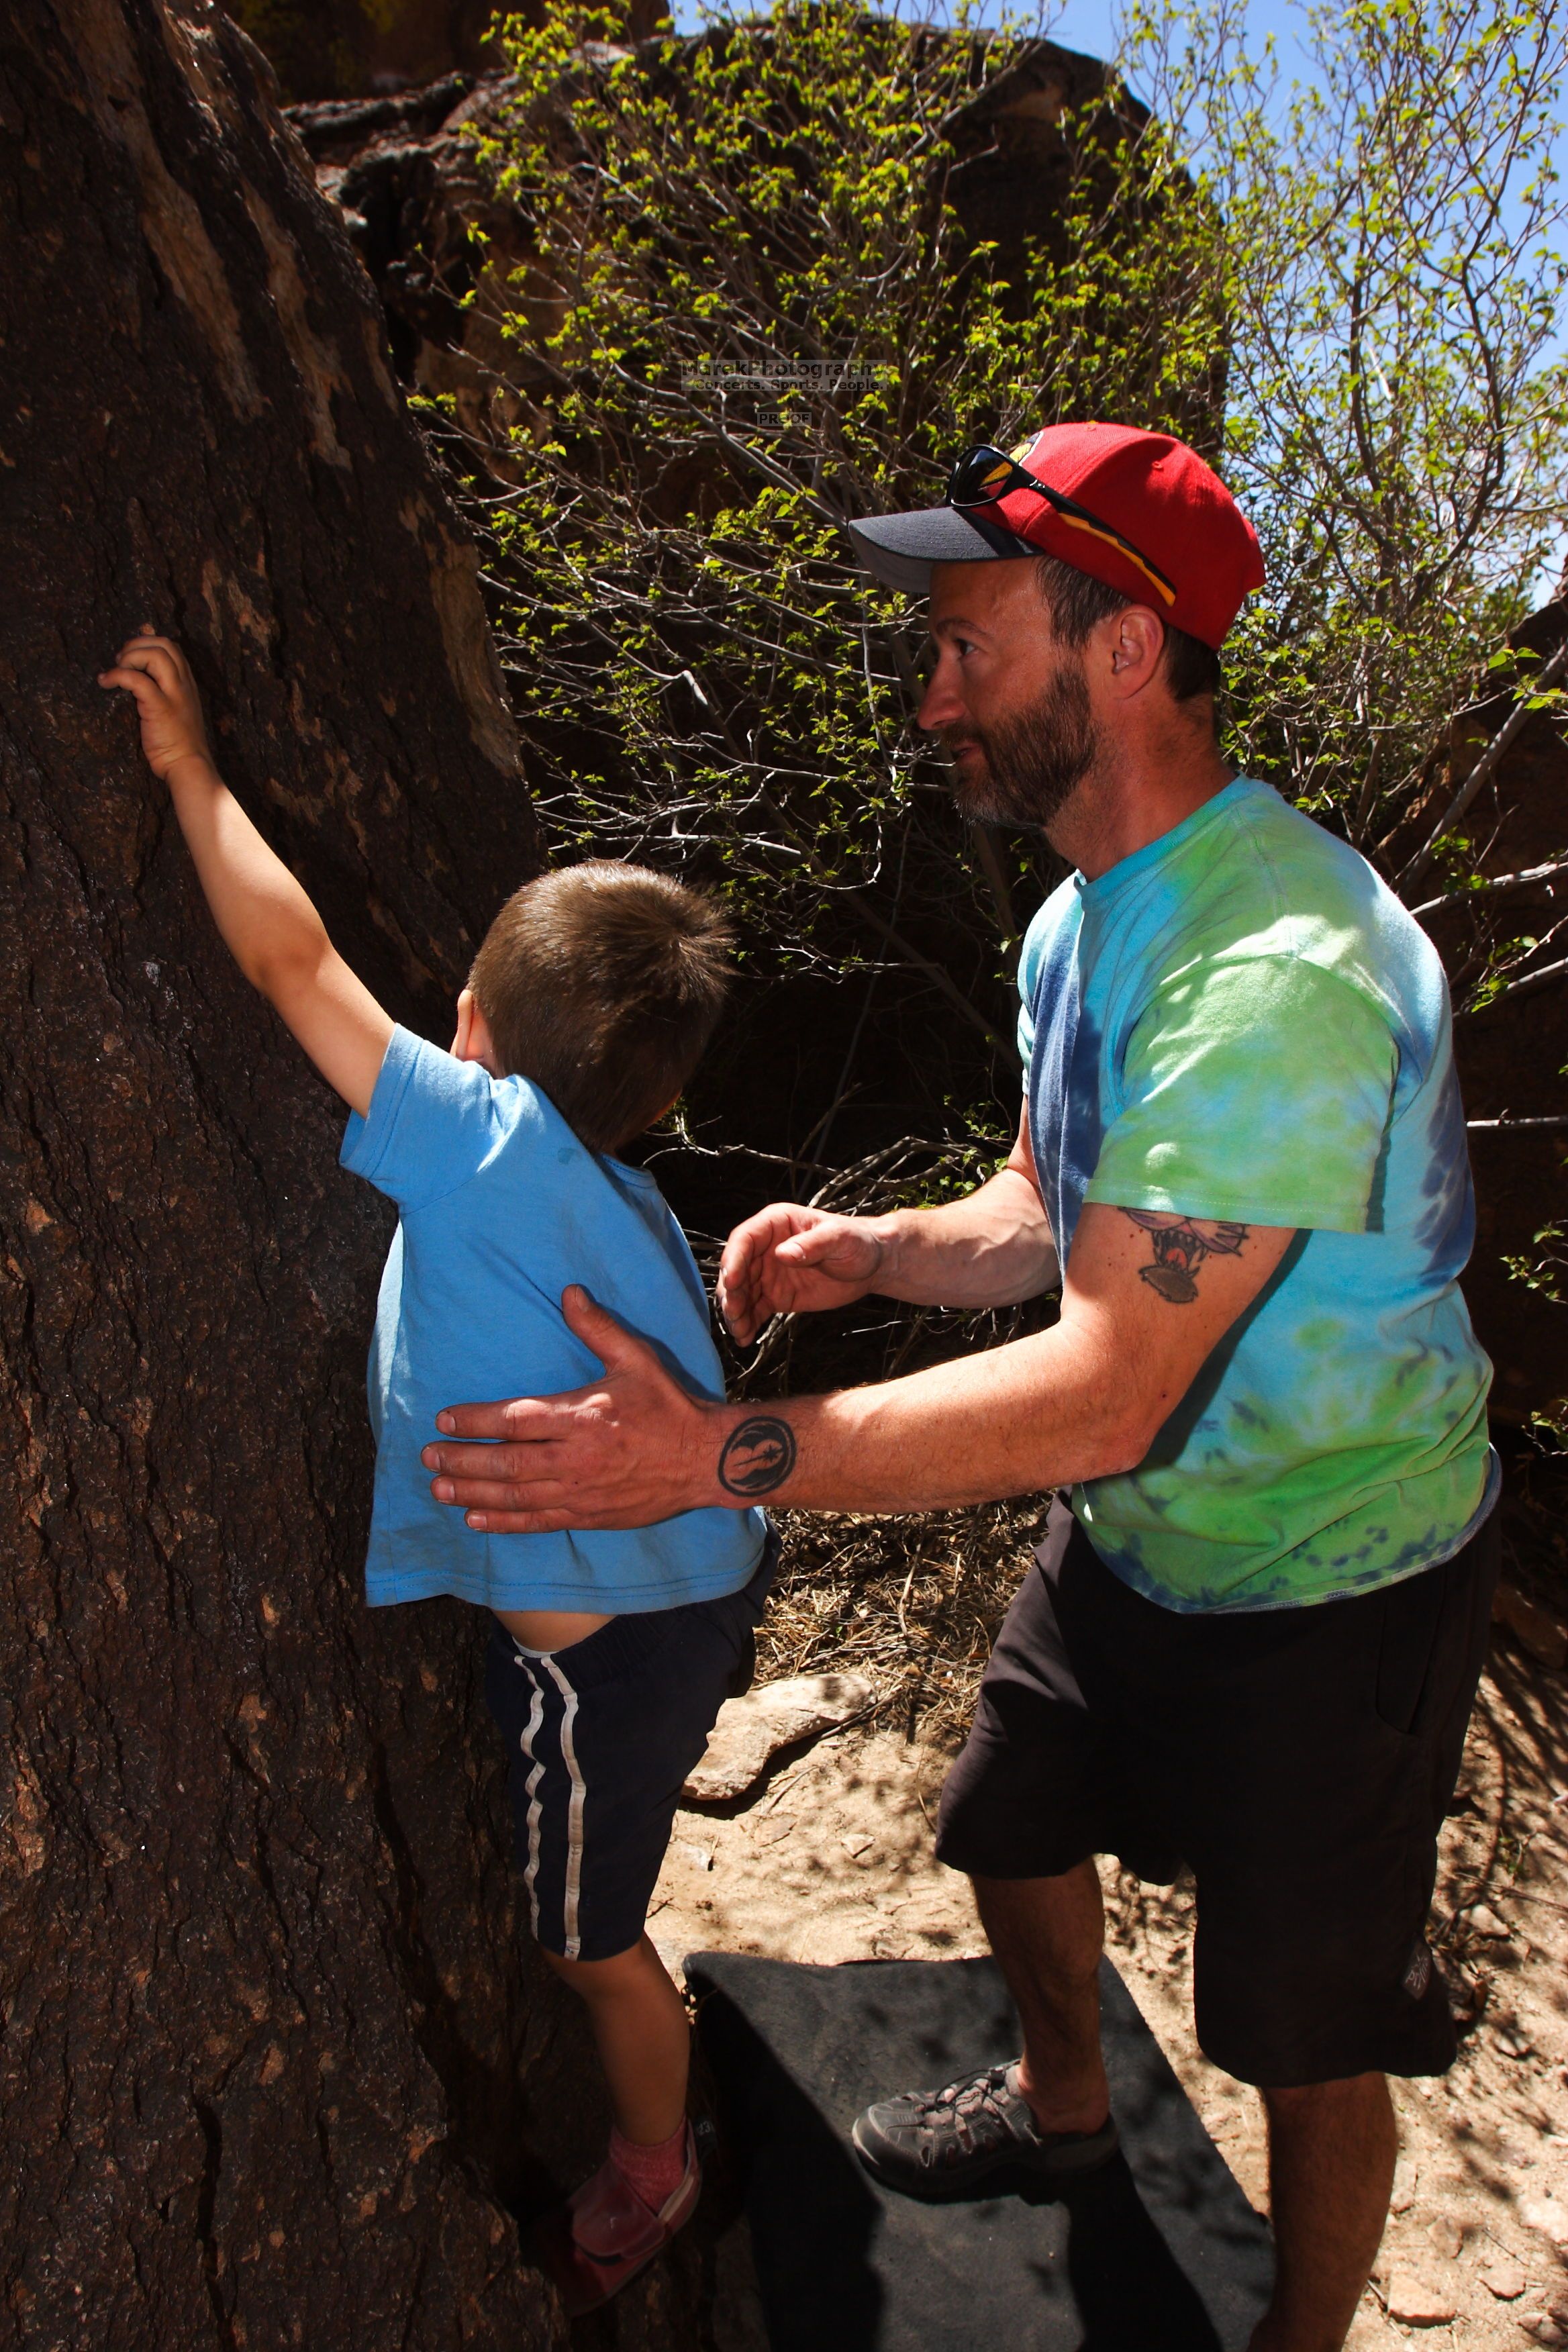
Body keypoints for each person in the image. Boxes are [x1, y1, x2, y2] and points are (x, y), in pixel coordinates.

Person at [418, 423, 1499, 2352]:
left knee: (1304, 2033)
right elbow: (1043, 1206)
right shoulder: (1082, 920)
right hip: (1138, 1539)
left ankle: (1302, 2337)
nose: (931, 695)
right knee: (1009, 1826)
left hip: (1335, 1576)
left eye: (968, 646)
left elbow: (1103, 1389)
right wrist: (873, 1252)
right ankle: (1067, 2109)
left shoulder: (1277, 967)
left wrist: (720, 1454)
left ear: (1125, 652)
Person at [97, 632, 774, 2318]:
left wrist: (192, 772)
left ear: (469, 1025)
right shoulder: (620, 1197)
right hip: (689, 1602)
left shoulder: (478, 1141)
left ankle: (652, 2166)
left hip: (592, 1673)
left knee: (586, 1943)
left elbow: (291, 962)